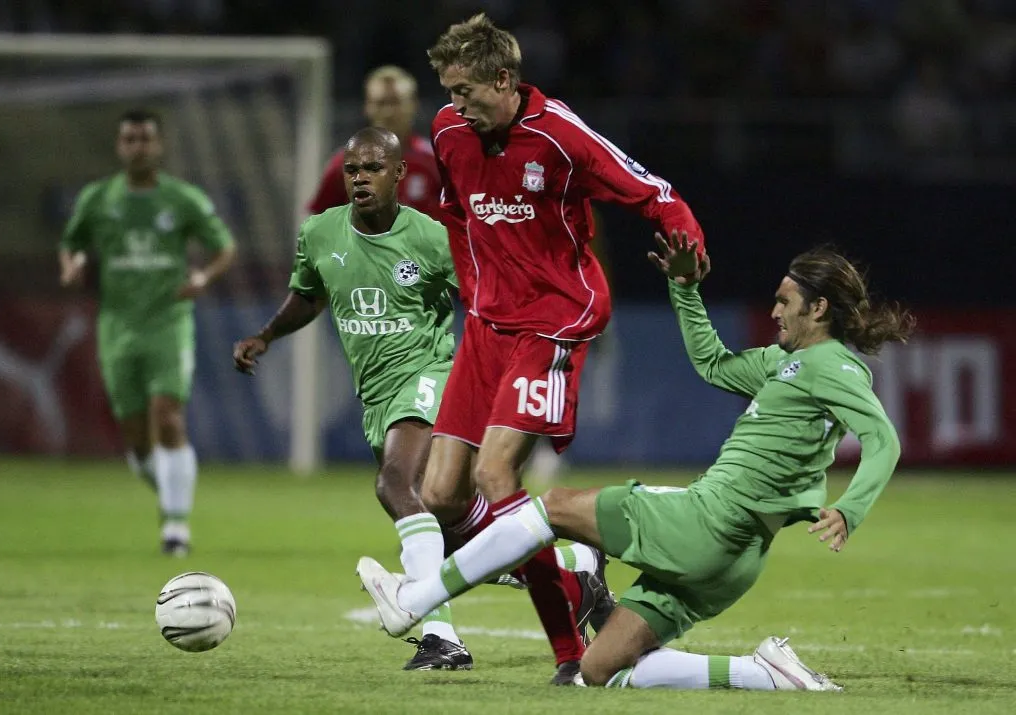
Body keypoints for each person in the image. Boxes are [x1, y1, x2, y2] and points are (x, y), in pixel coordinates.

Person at [358, 236, 914, 692]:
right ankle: (764, 673)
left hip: (709, 520)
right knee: (601, 670)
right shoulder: (784, 363)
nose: (773, 311)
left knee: (552, 506)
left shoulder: (833, 366)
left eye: (785, 302)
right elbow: (713, 364)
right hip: (733, 561)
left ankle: (417, 600)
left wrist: (851, 510)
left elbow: (882, 439)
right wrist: (685, 289)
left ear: (819, 309)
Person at [232, 127, 604, 671]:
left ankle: (441, 636)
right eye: (353, 169)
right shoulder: (318, 233)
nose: (360, 178)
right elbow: (309, 294)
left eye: (373, 168)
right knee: (449, 527)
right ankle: (573, 567)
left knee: (397, 485)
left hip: (430, 375)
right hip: (376, 394)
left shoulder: (432, 237)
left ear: (400, 175)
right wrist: (265, 334)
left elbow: (487, 297)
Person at [411, 13, 705, 684]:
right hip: (488, 324)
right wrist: (470, 285)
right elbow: (456, 212)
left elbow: (653, 192)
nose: (454, 105)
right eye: (448, 91)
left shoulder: (562, 135)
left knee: (495, 477)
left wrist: (690, 247)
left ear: (505, 80)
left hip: (554, 319)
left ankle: (569, 654)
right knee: (440, 495)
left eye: (465, 91)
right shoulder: (449, 132)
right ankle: (576, 578)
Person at [59, 108, 235, 557]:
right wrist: (72, 263)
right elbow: (72, 241)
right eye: (130, 139)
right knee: (137, 440)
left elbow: (223, 247)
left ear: (159, 146)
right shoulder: (98, 199)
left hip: (167, 322)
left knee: (169, 415)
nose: (138, 147)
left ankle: (175, 526)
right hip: (117, 326)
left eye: (145, 139)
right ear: (120, 147)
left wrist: (202, 279)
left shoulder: (182, 199)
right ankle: (170, 489)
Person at [307, 66, 442, 219]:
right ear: (367, 107)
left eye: (395, 102)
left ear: (414, 105)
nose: (388, 112)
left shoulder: (435, 160)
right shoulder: (345, 163)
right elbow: (318, 223)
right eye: (381, 103)